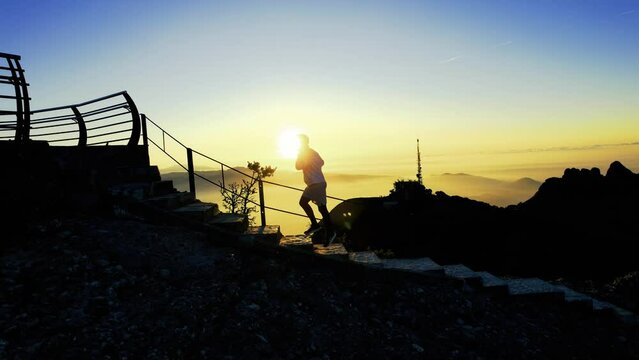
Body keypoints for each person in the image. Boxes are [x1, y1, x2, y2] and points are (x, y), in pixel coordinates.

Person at [295, 134, 336, 246]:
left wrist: (301, 158)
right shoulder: (313, 152)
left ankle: (327, 231)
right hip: (316, 183)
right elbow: (322, 162)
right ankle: (321, 228)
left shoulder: (305, 153)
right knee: (314, 206)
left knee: (315, 206)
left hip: (316, 184)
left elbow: (298, 166)